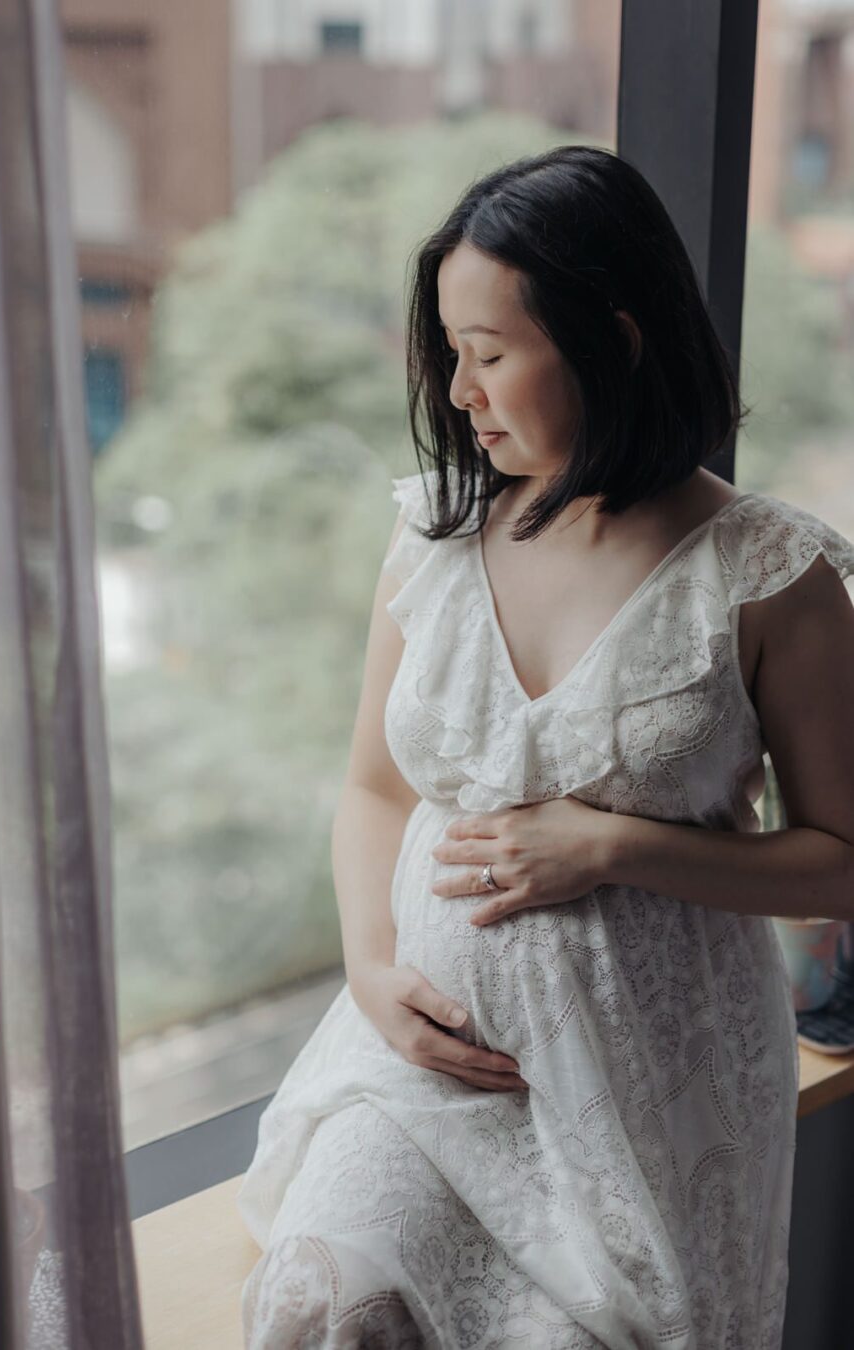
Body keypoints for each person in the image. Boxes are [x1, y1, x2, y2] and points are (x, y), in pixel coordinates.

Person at [236, 144, 854, 1348]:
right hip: (418, 1077)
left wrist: (612, 846)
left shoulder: (771, 575)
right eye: (452, 357)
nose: (461, 394)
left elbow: (841, 858)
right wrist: (371, 977)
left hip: (642, 1111)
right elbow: (373, 790)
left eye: (491, 355)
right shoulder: (433, 530)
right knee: (322, 1303)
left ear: (614, 343)